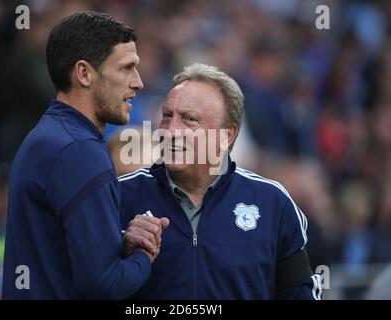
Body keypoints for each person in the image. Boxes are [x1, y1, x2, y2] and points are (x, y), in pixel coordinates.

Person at [119, 63, 322, 299]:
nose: (171, 130)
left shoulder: (273, 204)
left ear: (227, 135)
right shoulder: (119, 195)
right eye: (167, 116)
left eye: (190, 119)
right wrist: (121, 248)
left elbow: (300, 294)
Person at [2, 11, 168, 299]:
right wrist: (144, 253)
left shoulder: (47, 136)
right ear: (84, 73)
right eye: (126, 68)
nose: (138, 82)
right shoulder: (80, 151)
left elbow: (61, 256)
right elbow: (104, 285)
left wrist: (119, 243)